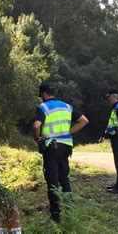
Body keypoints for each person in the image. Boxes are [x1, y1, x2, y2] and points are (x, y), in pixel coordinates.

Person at [33, 83, 89, 223]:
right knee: (64, 178)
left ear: (44, 94)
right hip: (65, 147)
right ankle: (70, 211)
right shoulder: (67, 106)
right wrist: (67, 132)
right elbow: (84, 121)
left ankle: (55, 215)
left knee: (52, 181)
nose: (41, 99)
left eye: (41, 96)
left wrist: (37, 137)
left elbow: (36, 125)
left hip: (51, 148)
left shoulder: (43, 107)